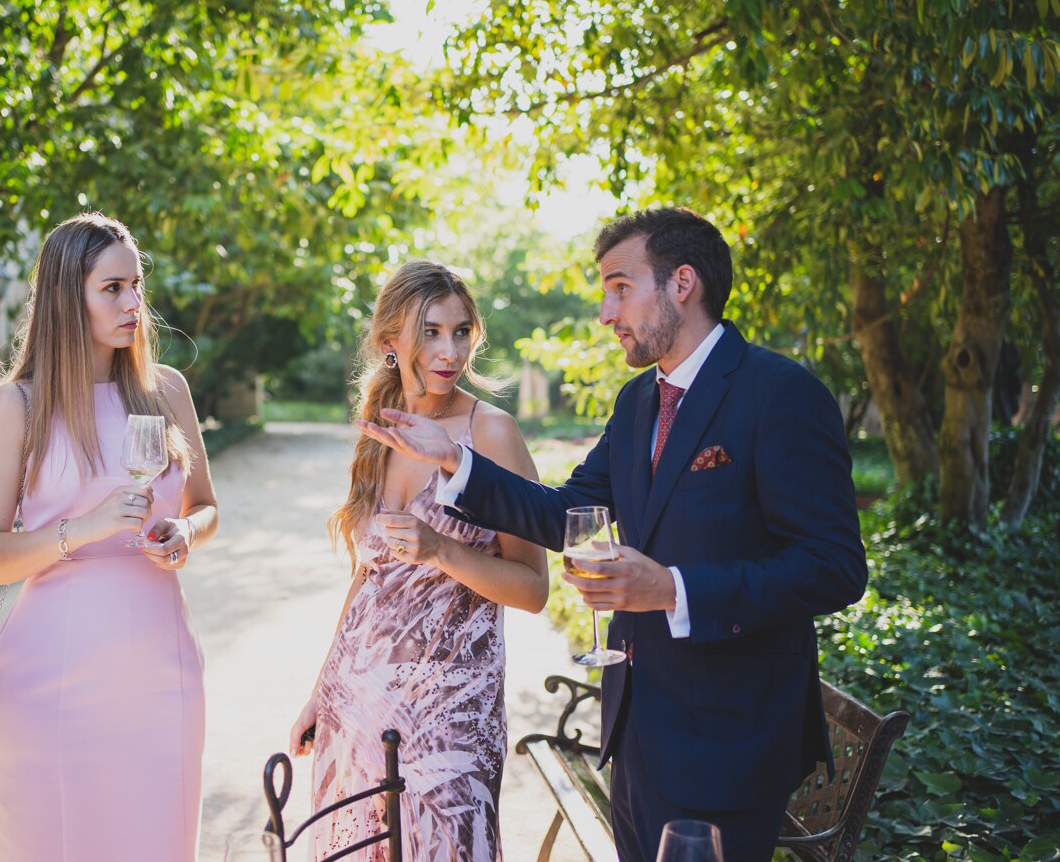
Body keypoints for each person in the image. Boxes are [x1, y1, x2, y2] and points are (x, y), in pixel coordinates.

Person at [358, 208, 867, 862]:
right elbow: (564, 512)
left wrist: (673, 589)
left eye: (620, 287)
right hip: (634, 737)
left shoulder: (780, 395)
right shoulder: (636, 405)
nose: (605, 310)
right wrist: (455, 460)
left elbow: (834, 568)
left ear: (682, 283)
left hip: (730, 748)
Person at [0, 212, 218, 861]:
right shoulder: (17, 406)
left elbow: (208, 505)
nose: (135, 302)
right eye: (113, 288)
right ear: (65, 294)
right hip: (56, 673)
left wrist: (185, 530)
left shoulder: (166, 391)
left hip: (162, 666)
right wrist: (82, 528)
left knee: (158, 840)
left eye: (136, 285)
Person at [290, 260, 549, 861]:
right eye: (430, 332)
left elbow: (534, 588)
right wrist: (320, 688)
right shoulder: (382, 431)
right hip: (357, 703)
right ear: (391, 343)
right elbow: (367, 577)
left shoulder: (492, 433)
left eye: (461, 331)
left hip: (450, 713)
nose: (449, 350)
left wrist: (442, 550)